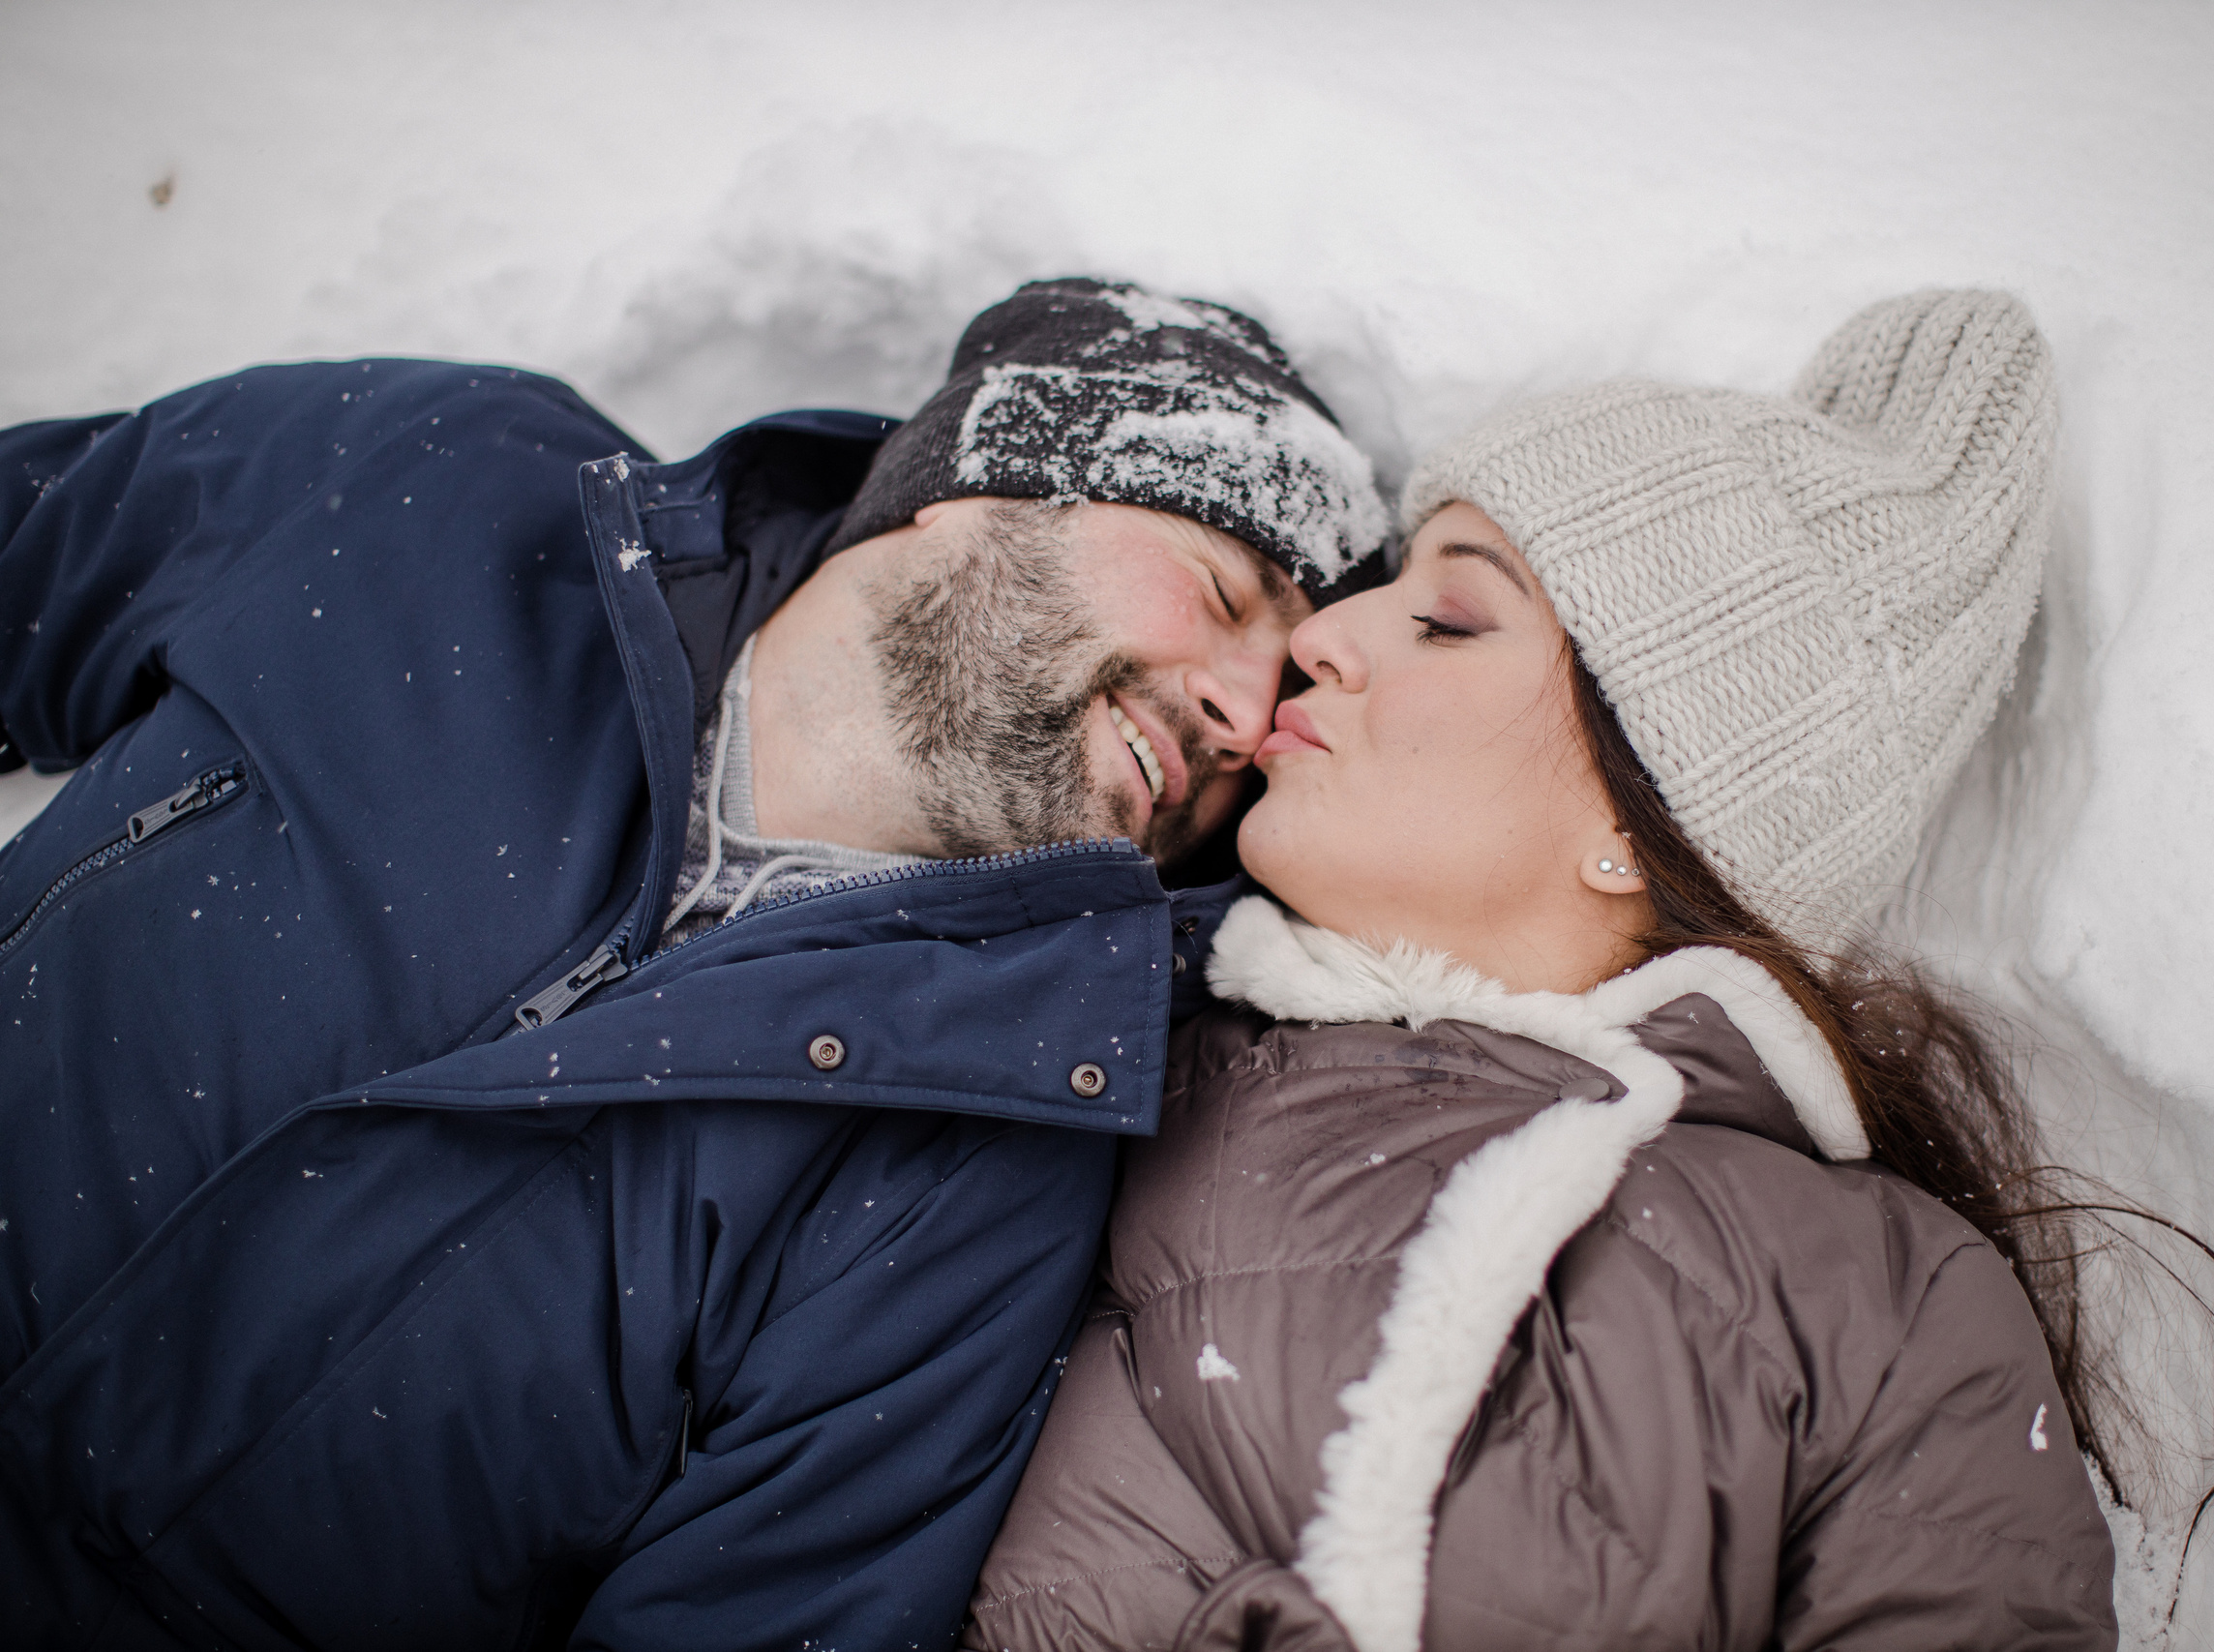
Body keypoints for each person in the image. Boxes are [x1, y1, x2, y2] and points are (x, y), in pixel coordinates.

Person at [0, 279, 1385, 1648]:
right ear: (989, 475)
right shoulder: (443, 490)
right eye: (1224, 589)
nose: (1244, 711)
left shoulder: (986, 1160)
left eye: (1287, 699)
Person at [967, 290, 2125, 1650]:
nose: (1324, 639)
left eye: (1450, 617)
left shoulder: (1883, 1304)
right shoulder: (1088, 1064)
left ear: (1642, 825)